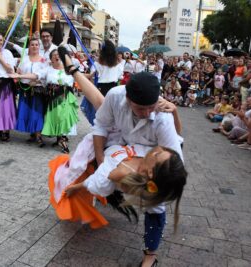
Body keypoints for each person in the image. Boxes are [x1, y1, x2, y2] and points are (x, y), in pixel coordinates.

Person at [50, 47, 184, 267]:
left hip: (153, 149)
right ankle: (73, 70)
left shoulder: (161, 117)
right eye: (141, 108)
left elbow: (174, 156)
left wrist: (156, 182)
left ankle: (150, 253)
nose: (147, 113)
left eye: (151, 107)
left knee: (156, 206)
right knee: (100, 107)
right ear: (128, 100)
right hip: (120, 140)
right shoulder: (117, 96)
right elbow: (100, 125)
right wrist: (102, 159)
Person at [15, 37, 48, 146]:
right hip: (25, 89)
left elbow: (46, 74)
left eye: (36, 44)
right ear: (29, 47)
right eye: (32, 44)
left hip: (38, 89)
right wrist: (18, 73)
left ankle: (39, 135)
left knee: (37, 112)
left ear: (39, 46)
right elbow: (19, 73)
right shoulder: (24, 59)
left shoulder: (43, 59)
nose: (34, 46)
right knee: (27, 111)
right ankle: (32, 133)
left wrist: (37, 80)